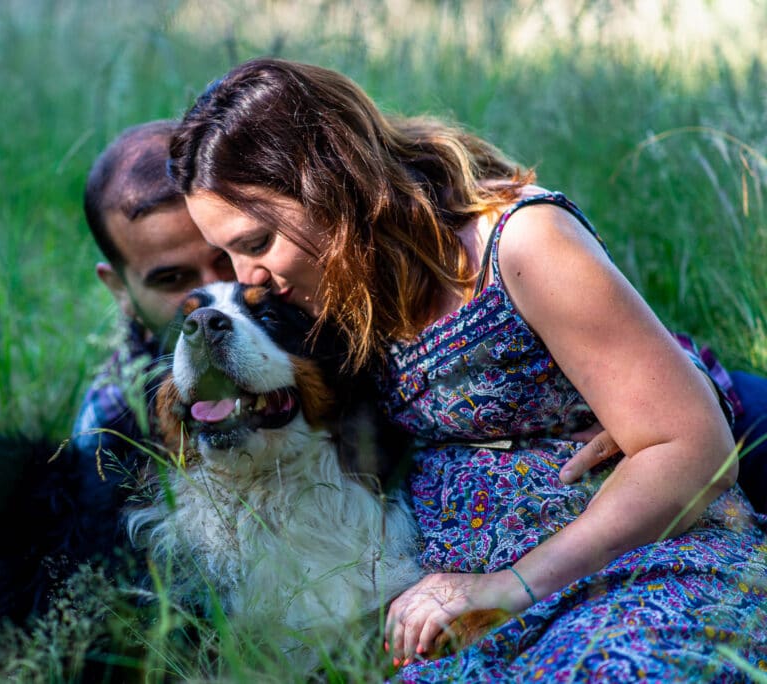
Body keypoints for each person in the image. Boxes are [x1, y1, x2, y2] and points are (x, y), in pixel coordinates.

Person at [166, 58, 767, 680]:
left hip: (621, 567)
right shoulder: (331, 291)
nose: (246, 277)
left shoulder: (520, 242)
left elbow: (692, 447)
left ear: (329, 184)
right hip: (442, 608)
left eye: (257, 243)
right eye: (228, 253)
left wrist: (511, 585)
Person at [71, 120, 234, 475]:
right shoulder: (111, 426)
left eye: (227, 256)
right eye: (173, 279)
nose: (213, 297)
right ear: (121, 291)